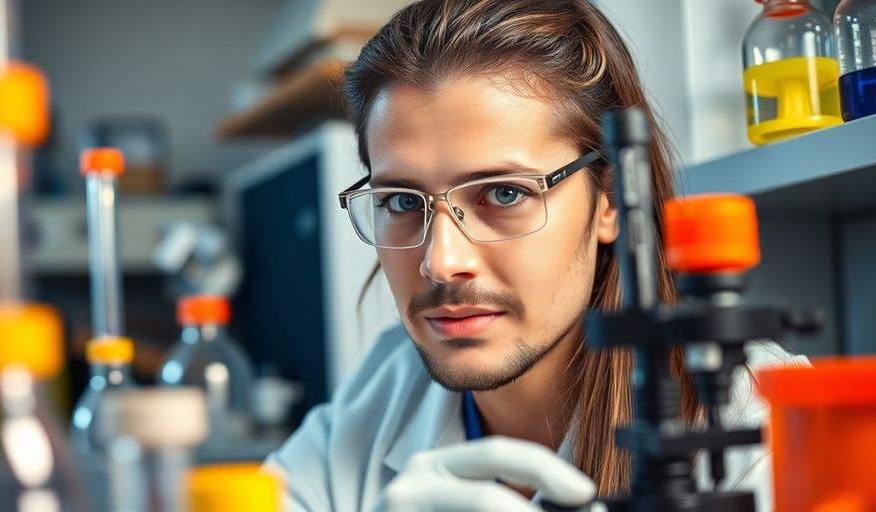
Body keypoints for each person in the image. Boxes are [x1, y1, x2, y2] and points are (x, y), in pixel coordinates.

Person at [265, 1, 806, 510]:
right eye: (402, 201)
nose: (442, 261)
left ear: (612, 200)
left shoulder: (766, 422)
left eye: (504, 193)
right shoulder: (385, 391)